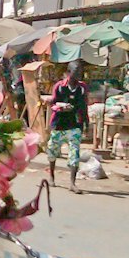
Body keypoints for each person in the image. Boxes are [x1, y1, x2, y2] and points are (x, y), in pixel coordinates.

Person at [47, 60, 89, 194]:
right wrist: (60, 108)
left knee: (74, 152)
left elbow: (83, 106)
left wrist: (85, 122)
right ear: (69, 73)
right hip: (59, 123)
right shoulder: (59, 86)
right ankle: (51, 176)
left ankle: (72, 182)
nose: (79, 75)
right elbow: (53, 104)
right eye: (76, 72)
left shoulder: (82, 88)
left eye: (80, 72)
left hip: (74, 124)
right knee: (53, 151)